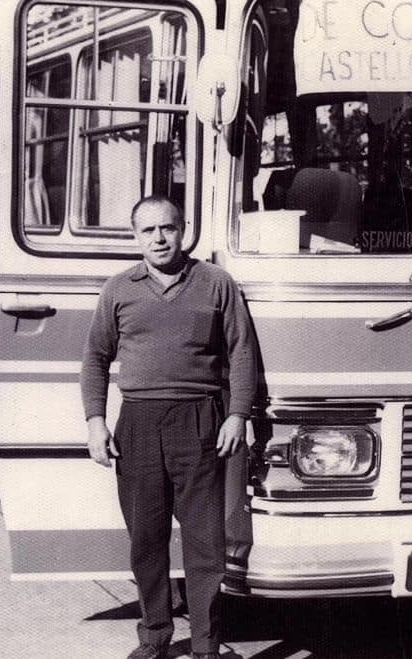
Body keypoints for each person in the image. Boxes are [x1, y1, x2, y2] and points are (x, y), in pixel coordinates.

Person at [80, 195, 258, 659]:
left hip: (200, 420)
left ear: (184, 230)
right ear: (135, 236)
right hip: (137, 423)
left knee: (205, 542)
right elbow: (96, 358)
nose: (159, 238)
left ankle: (206, 647)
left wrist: (238, 413)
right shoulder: (118, 289)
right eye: (148, 230)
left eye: (168, 228)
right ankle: (155, 638)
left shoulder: (217, 283)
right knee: (146, 539)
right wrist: (95, 421)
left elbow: (241, 351)